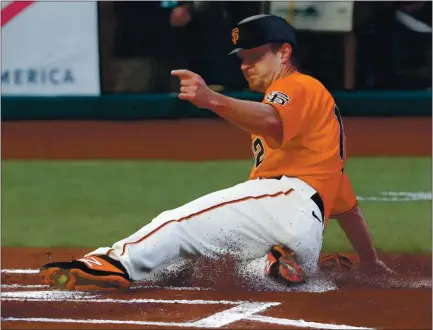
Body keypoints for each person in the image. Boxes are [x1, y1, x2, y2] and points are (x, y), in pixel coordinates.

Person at [39, 14, 382, 291]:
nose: (245, 65)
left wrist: (211, 100)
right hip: (304, 234)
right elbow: (347, 207)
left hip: (283, 201)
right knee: (206, 271)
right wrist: (370, 261)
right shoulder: (321, 142)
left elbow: (272, 121)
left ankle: (113, 261)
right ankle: (275, 266)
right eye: (242, 58)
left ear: (284, 53)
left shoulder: (297, 86)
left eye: (255, 56)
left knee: (177, 225)